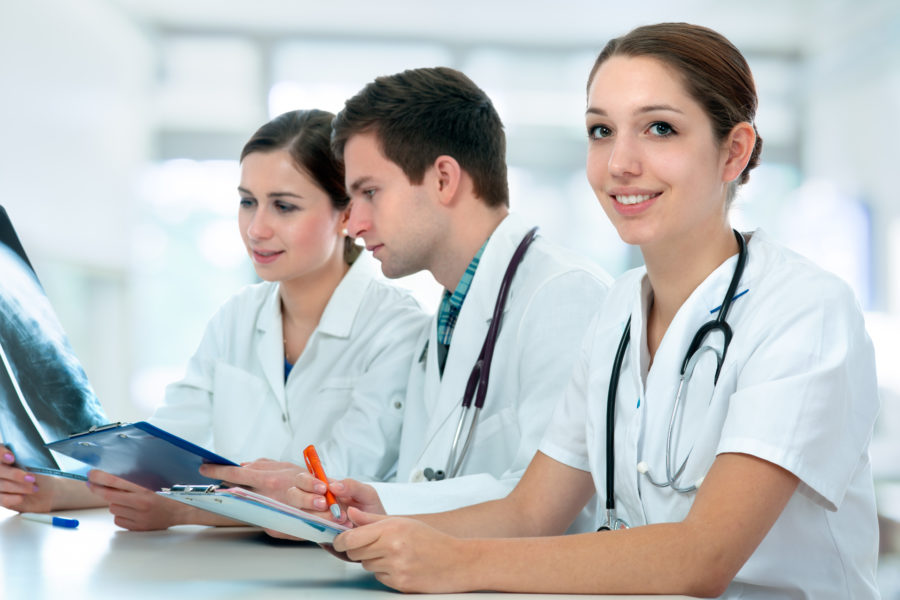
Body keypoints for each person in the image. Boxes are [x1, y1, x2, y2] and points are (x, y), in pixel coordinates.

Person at [314, 24, 881, 598]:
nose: (620, 163)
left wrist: (454, 563)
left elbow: (701, 557)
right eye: (601, 131)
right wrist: (371, 524)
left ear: (733, 151)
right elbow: (529, 514)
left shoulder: (804, 311)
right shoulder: (618, 311)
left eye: (660, 128)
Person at [217, 67, 612, 528]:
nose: (354, 222)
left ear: (444, 179)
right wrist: (332, 497)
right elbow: (425, 484)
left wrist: (372, 506)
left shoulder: (563, 296)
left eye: (369, 192)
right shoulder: (443, 325)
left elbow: (540, 502)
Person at [0, 109, 428, 530]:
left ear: (346, 215)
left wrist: (188, 511)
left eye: (283, 206)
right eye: (248, 202)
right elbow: (163, 450)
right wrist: (59, 489)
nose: (256, 228)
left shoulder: (397, 328)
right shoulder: (235, 318)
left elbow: (337, 491)